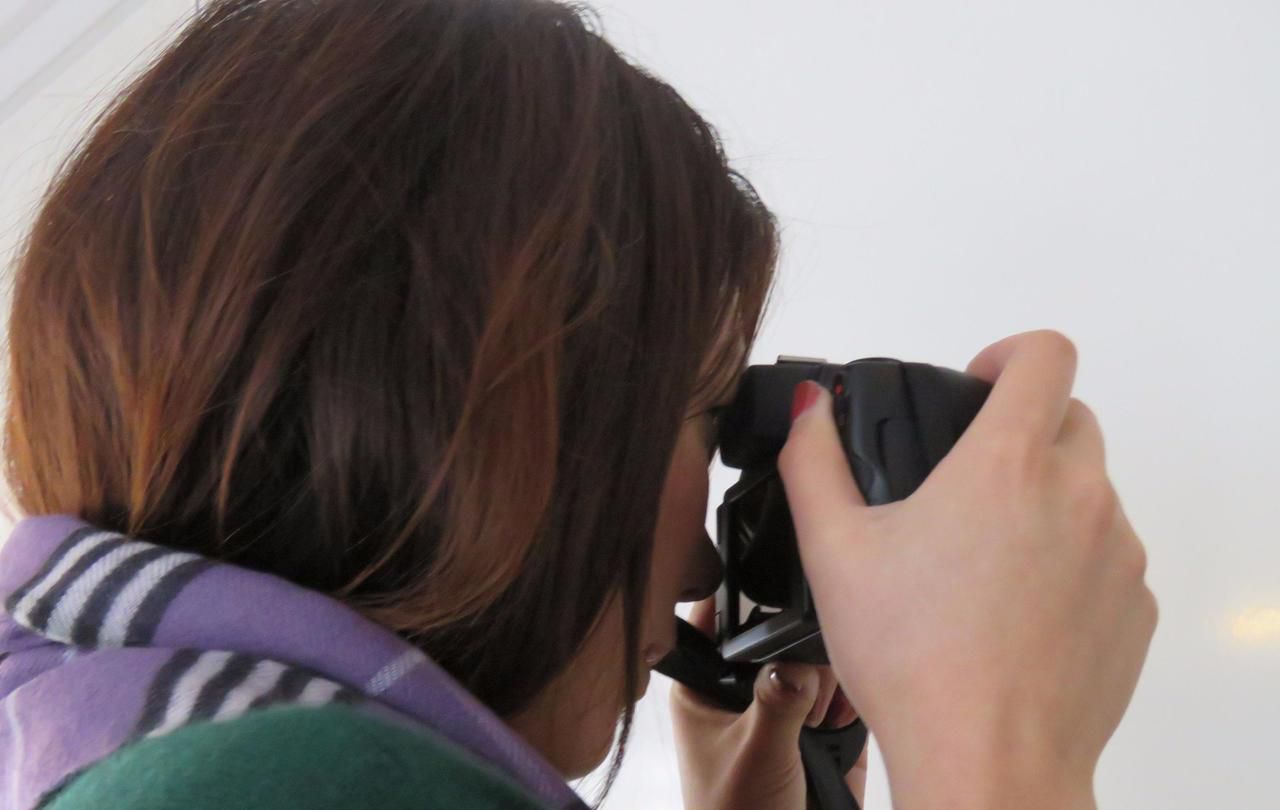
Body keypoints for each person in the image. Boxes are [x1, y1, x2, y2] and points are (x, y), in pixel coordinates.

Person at [0, 0, 1157, 808]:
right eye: (703, 421)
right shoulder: (274, 788)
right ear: (484, 427)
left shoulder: (118, 742)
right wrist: (999, 756)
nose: (702, 574)